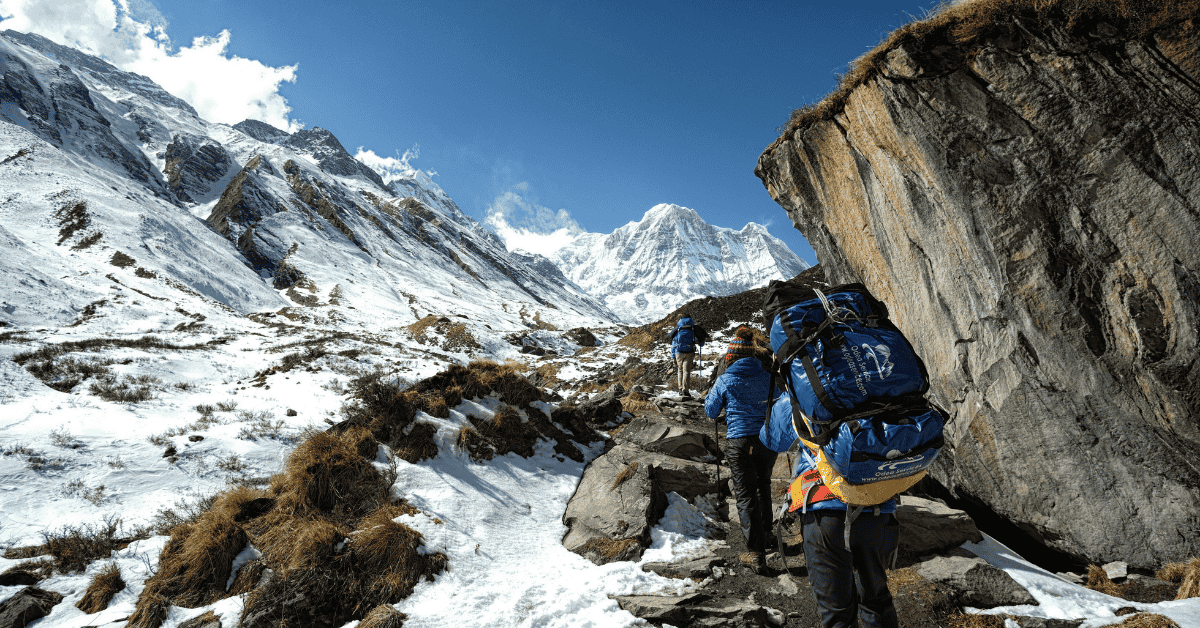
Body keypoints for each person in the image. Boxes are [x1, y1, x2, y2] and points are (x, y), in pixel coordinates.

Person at [795, 446, 900, 628]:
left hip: (825, 510)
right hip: (878, 509)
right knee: (877, 601)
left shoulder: (809, 415)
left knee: (837, 613)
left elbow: (774, 440)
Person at [704, 327, 776, 572]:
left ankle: (756, 553)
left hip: (738, 441)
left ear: (731, 357)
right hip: (766, 439)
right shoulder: (767, 376)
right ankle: (767, 533)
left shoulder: (725, 379)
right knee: (763, 483)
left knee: (745, 495)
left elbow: (711, 412)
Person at [670, 314, 706, 399]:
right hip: (689, 351)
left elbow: (673, 344)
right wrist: (700, 343)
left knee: (680, 370)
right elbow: (701, 342)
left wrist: (673, 356)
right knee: (686, 371)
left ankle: (680, 389)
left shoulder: (678, 329)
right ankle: (685, 391)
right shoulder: (693, 329)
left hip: (678, 352)